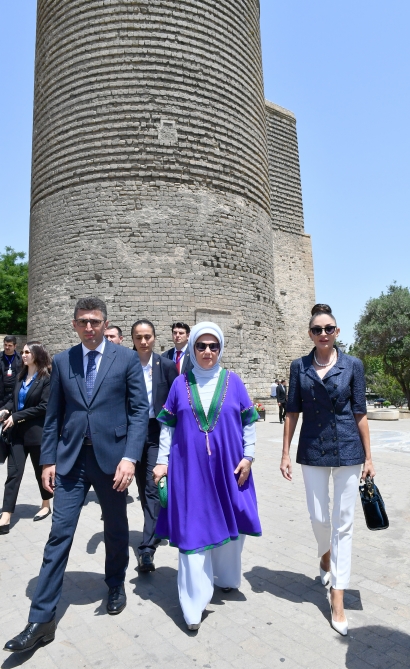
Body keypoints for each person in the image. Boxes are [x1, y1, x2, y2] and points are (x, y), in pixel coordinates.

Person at [4, 297, 149, 653]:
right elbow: (53, 415)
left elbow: (139, 411)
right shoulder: (63, 360)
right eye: (83, 321)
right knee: (59, 535)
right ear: (74, 325)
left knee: (115, 529)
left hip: (112, 461)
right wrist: (48, 461)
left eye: (95, 321)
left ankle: (115, 583)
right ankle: (41, 619)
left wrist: (130, 458)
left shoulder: (126, 359)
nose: (89, 327)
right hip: (71, 462)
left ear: (105, 323)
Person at [153, 322, 261, 630]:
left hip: (230, 466)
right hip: (189, 469)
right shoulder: (180, 384)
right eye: (201, 346)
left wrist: (249, 457)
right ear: (192, 348)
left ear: (221, 348)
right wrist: (161, 462)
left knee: (230, 521)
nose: (208, 352)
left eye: (214, 346)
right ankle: (193, 604)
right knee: (193, 531)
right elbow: (167, 428)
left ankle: (226, 577)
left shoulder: (234, 382)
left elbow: (248, 423)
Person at [279, 304, 376, 636]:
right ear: (310, 334)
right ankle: (325, 554)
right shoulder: (299, 366)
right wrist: (285, 453)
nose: (323, 334)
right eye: (317, 329)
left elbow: (360, 412)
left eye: (329, 328)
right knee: (319, 517)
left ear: (337, 332)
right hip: (312, 448)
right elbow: (292, 411)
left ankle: (337, 595)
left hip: (348, 448)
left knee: (343, 522)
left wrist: (369, 457)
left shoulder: (353, 365)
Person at [132, 319, 178, 572]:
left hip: (155, 432)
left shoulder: (166, 366)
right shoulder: (126, 364)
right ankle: (155, 528)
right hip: (131, 432)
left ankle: (147, 549)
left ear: (154, 338)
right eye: (138, 337)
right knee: (141, 487)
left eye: (147, 336)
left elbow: (176, 401)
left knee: (152, 487)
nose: (143, 341)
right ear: (133, 339)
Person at [0, 342, 53, 533]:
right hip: (16, 435)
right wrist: (6, 410)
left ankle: (46, 504)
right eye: (22, 352)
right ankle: (6, 514)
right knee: (14, 474)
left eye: (27, 352)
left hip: (36, 435)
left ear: (37, 355)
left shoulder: (46, 379)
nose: (23, 355)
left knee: (41, 473)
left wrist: (17, 416)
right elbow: (14, 400)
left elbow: (44, 406)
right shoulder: (20, 377)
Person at [0, 336, 23, 410]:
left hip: (14, 392)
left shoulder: (20, 358)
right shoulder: (0, 357)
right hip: (1, 393)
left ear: (15, 346)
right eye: (5, 345)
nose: (7, 347)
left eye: (10, 345)